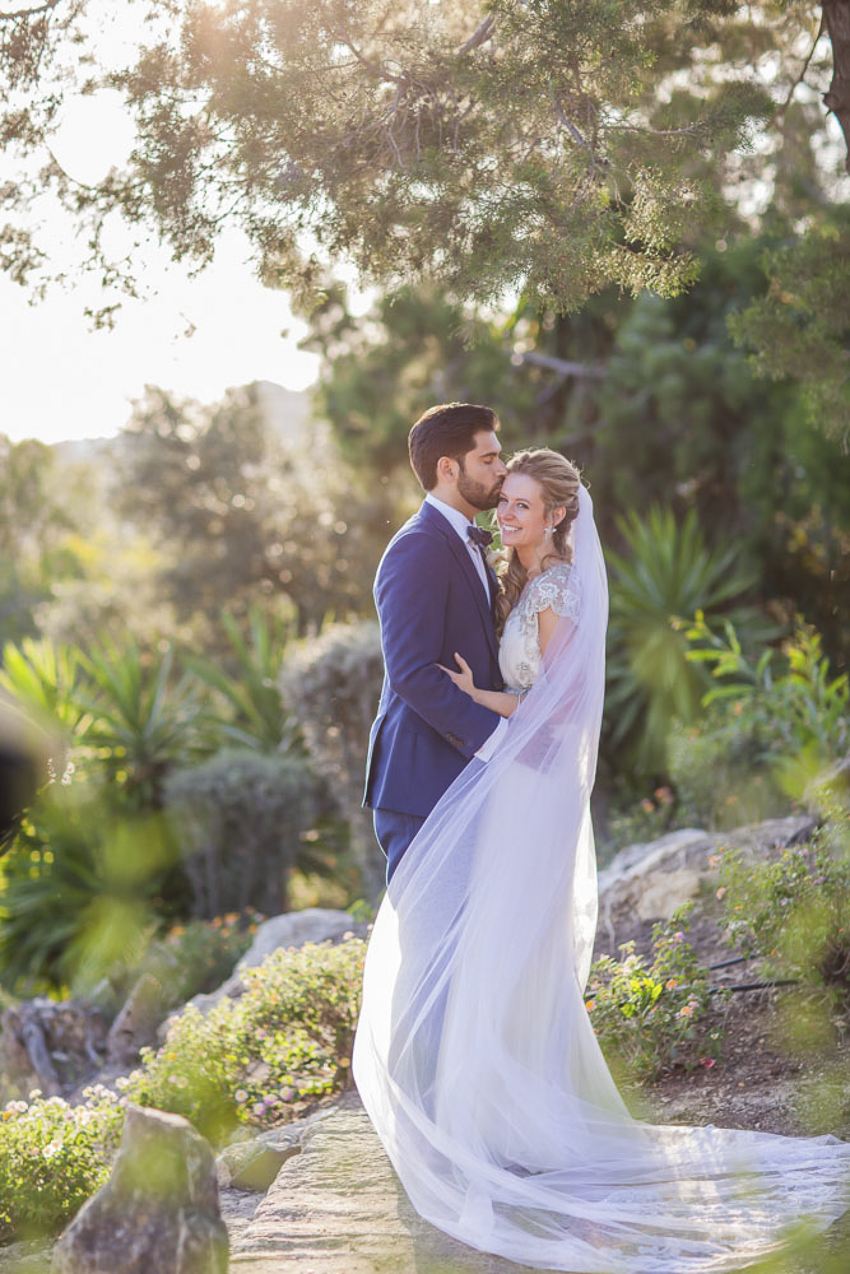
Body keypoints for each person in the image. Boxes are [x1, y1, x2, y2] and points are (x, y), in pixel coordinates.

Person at [354, 447, 850, 1273]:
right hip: (499, 783)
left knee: (501, 952)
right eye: (498, 492)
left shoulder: (548, 586)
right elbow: (460, 677)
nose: (505, 513)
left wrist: (480, 703)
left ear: (555, 514)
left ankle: (487, 1122)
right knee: (484, 953)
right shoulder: (498, 569)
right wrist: (489, 711)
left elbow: (560, 704)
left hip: (519, 783)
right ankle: (479, 1117)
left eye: (519, 503)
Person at [364, 402, 508, 881]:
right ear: (449, 468)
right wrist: (498, 739)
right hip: (423, 784)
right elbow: (411, 671)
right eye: (487, 460)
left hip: (461, 776)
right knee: (432, 948)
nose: (502, 470)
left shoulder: (467, 540)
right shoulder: (418, 546)